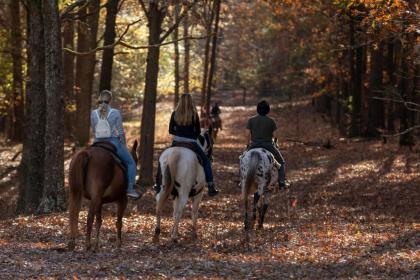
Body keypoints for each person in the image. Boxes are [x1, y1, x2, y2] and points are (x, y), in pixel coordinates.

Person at [90, 90, 143, 199]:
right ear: (111, 100)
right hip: (112, 141)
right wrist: (123, 144)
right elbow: (121, 132)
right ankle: (130, 189)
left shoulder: (93, 113)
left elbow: (94, 131)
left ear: (99, 99)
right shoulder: (115, 112)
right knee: (131, 162)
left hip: (97, 142)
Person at [167, 93, 219, 196]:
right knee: (206, 161)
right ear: (191, 101)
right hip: (191, 142)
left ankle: (159, 184)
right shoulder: (194, 114)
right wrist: (190, 135)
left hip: (176, 142)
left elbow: (170, 130)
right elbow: (198, 132)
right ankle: (211, 186)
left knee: (165, 161)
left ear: (180, 101)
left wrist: (179, 133)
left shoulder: (174, 113)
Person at [246, 100, 289, 189]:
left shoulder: (251, 120)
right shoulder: (271, 121)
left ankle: (243, 181)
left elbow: (247, 134)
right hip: (268, 145)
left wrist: (248, 145)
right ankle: (281, 183)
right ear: (268, 110)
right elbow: (275, 135)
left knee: (244, 160)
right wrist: (275, 141)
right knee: (281, 162)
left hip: (254, 145)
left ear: (257, 109)